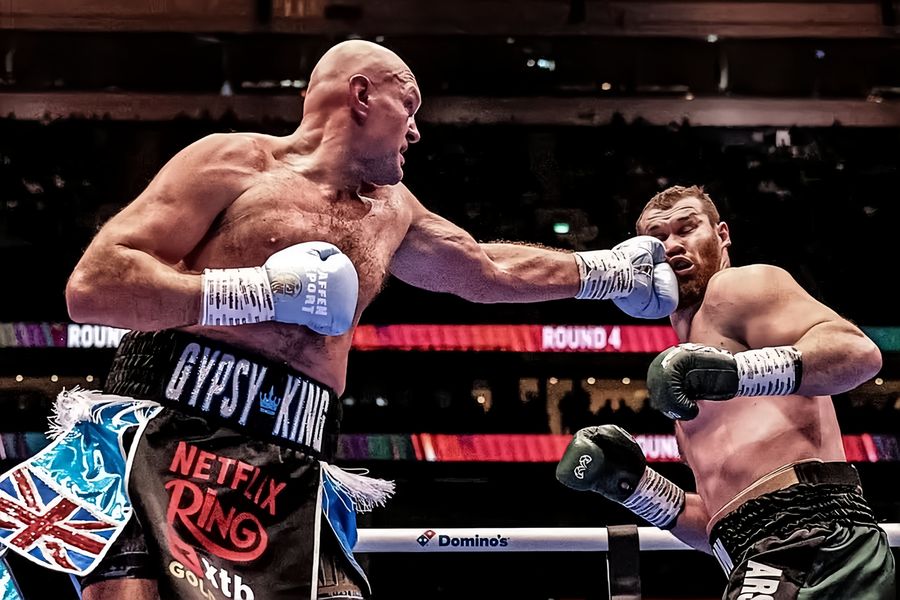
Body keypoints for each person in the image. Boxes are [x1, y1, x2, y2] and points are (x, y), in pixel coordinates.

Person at [38, 40, 679, 600]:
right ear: (363, 94)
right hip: (167, 426)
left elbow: (485, 269)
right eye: (411, 105)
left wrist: (605, 273)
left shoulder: (393, 210)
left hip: (293, 453)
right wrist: (257, 293)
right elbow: (94, 288)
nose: (417, 132)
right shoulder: (231, 163)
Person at [557, 185, 895, 599]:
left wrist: (735, 372)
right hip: (758, 554)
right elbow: (723, 524)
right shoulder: (684, 380)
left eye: (687, 228)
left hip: (816, 542)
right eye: (657, 238)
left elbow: (858, 354)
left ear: (722, 235)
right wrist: (636, 487)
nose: (672, 245)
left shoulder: (738, 288)